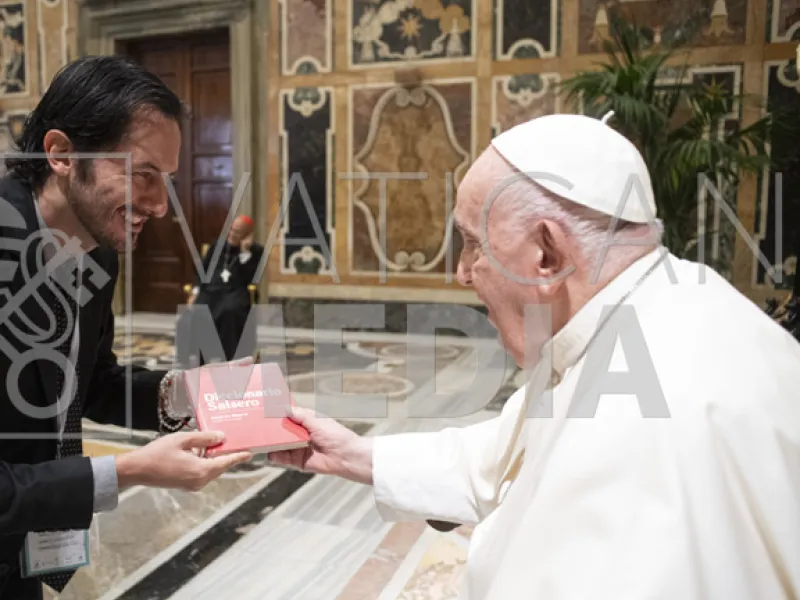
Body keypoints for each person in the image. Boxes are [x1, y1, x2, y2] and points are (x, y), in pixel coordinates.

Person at [269, 114, 800, 599]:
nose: (462, 272)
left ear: (547, 255)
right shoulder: (670, 299)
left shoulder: (643, 429)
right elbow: (512, 457)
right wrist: (357, 455)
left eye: (473, 244)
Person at [0, 56, 251, 599]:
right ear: (61, 154)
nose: (161, 206)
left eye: (167, 180)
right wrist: (127, 471)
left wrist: (191, 394)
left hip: (20, 547)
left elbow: (88, 383)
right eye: (142, 175)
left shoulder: (95, 254)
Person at [177, 215, 263, 365]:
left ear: (247, 235)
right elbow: (202, 270)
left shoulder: (255, 251)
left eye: (237, 232)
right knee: (198, 310)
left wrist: (244, 253)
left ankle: (230, 358)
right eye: (231, 230)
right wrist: (195, 291)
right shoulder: (216, 245)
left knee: (231, 310)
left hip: (236, 291)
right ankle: (201, 357)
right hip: (210, 290)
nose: (232, 234)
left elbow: (249, 279)